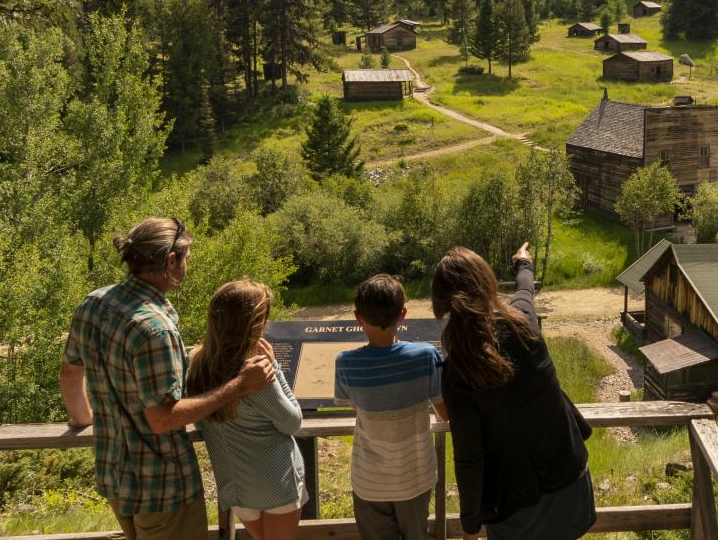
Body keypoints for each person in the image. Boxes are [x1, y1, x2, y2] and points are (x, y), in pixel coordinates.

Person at [61, 217, 276, 540]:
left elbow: (70, 371)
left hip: (114, 476)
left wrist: (82, 418)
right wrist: (239, 386)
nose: (187, 265)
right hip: (162, 487)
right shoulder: (155, 329)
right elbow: (162, 419)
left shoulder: (94, 303)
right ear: (170, 261)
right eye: (186, 257)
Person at [432, 243, 596, 540]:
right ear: (486, 284)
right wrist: (524, 264)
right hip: (568, 477)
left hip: (515, 500)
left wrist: (470, 523)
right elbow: (524, 292)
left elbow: (470, 456)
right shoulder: (524, 323)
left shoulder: (457, 371)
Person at [189, 279, 306, 540]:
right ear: (254, 323)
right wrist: (274, 368)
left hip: (234, 485)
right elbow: (292, 422)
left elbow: (200, 419)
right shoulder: (254, 373)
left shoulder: (196, 363)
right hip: (277, 482)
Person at [334, 274, 448, 540]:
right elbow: (444, 412)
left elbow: (355, 408)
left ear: (358, 317)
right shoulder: (425, 356)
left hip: (369, 481)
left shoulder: (346, 363)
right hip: (415, 478)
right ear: (403, 314)